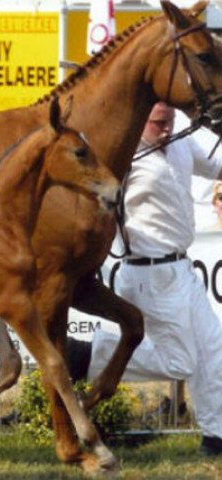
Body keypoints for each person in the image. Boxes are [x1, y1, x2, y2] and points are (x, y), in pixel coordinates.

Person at [70, 102, 222, 455]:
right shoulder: (122, 155)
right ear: (139, 119)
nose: (165, 129)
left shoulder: (182, 138)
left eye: (168, 121)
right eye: (157, 123)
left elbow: (217, 163)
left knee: (213, 350)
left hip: (182, 267)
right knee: (181, 362)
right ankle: (87, 356)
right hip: (146, 272)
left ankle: (216, 437)